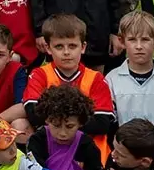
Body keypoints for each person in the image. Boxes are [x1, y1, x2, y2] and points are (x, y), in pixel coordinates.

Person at [22, 14, 116, 159]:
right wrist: (79, 118)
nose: (66, 52)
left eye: (72, 46)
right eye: (59, 46)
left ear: (83, 47)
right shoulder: (40, 75)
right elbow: (34, 115)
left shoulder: (96, 79)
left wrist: (55, 119)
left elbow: (101, 123)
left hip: (91, 157)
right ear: (48, 48)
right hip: (51, 153)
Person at [105, 11, 154, 135]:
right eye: (132, 40)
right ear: (122, 42)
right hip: (124, 147)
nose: (139, 46)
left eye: (145, 40)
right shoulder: (112, 79)